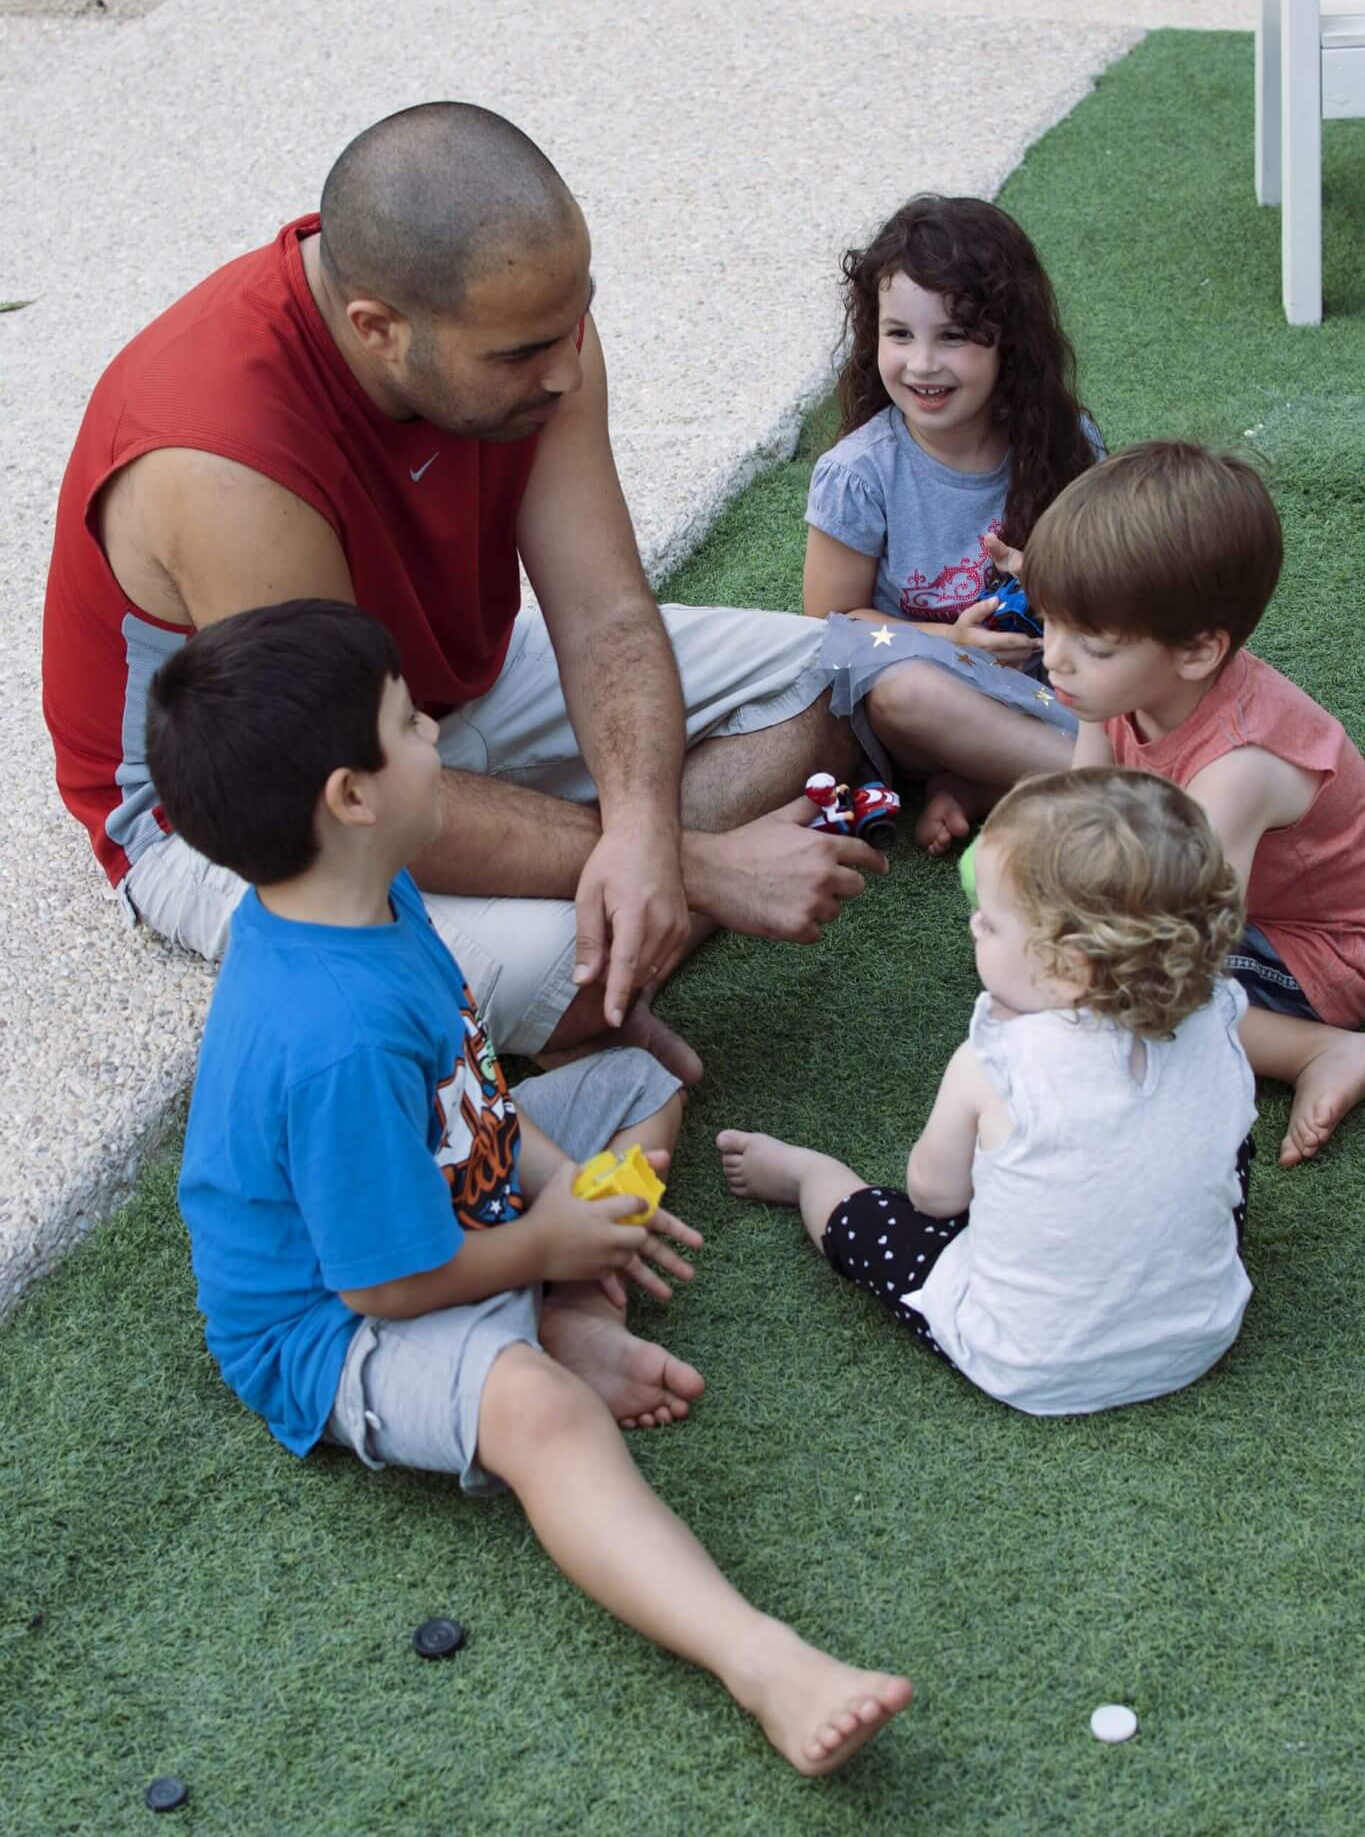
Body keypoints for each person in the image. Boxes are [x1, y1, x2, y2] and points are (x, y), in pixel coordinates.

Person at [147, 598, 912, 1776]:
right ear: (349, 797)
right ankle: (763, 1663)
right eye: (410, 727)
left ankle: (572, 1322)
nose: (437, 741)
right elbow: (389, 1286)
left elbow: (473, 1090)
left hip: (447, 1193)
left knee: (633, 1089)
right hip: (331, 1320)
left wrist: (566, 1197)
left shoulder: (370, 892)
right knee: (539, 1419)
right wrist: (552, 1234)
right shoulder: (331, 1035)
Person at [42, 102, 885, 1073]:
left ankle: (610, 922)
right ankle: (604, 944)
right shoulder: (223, 457)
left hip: (441, 689)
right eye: (524, 353)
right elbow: (351, 786)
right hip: (248, 810)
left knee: (835, 680)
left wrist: (647, 839)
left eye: (576, 320)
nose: (569, 368)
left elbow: (608, 617)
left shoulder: (527, 317)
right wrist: (703, 863)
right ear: (377, 330)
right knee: (553, 978)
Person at [719, 769, 1257, 1417]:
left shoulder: (995, 1060)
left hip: (1030, 1360)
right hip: (1199, 1334)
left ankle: (809, 1178)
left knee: (876, 1224)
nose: (975, 925)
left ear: (1070, 970)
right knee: (1222, 1133)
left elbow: (936, 1196)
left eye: (993, 923)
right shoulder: (1222, 1017)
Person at [1023, 440, 1365, 1167]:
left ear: (1198, 652)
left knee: (1126, 997)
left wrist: (1088, 962)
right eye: (1047, 621)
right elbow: (1087, 807)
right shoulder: (1118, 689)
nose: (1054, 657)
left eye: (1093, 644)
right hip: (1239, 900)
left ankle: (1320, 1050)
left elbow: (1192, 936)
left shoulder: (1239, 767)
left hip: (1322, 951)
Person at [802, 195, 1102, 856]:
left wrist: (1056, 590)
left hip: (1062, 683)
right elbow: (830, 627)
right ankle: (1114, 782)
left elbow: (1111, 584)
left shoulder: (1065, 443)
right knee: (902, 696)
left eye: (955, 336)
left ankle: (981, 782)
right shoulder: (859, 474)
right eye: (900, 334)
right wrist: (949, 641)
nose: (922, 364)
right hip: (940, 702)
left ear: (1011, 343)